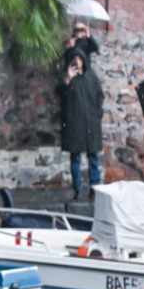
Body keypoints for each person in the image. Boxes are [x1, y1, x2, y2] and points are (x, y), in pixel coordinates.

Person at [58, 50, 104, 199]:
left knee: (93, 158)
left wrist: (97, 113)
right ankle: (77, 188)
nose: (77, 61)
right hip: (74, 124)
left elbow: (99, 95)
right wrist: (68, 79)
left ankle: (95, 187)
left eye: (79, 58)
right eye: (74, 59)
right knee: (75, 158)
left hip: (91, 123)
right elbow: (61, 95)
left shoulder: (91, 77)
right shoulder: (66, 78)